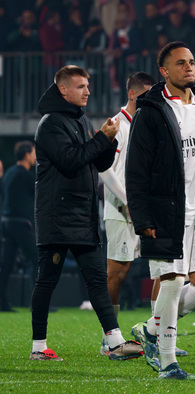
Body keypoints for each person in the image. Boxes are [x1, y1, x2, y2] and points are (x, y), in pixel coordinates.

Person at [126, 41, 195, 380]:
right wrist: (143, 217)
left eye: (191, 62)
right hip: (167, 210)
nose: (188, 67)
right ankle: (167, 361)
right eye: (179, 63)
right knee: (172, 282)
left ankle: (150, 329)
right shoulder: (152, 111)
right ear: (164, 71)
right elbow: (136, 169)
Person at [32, 65, 143, 362]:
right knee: (47, 281)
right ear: (63, 89)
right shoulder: (50, 123)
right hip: (57, 214)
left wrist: (109, 141)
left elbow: (95, 162)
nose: (88, 91)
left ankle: (114, 341)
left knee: (97, 279)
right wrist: (100, 140)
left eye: (88, 86)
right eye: (81, 86)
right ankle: (39, 347)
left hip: (82, 213)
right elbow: (71, 161)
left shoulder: (79, 120)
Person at [97, 71, 157, 356]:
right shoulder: (116, 125)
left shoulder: (148, 124)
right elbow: (104, 169)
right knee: (116, 274)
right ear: (132, 94)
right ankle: (109, 338)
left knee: (163, 271)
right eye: (146, 94)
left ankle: (158, 336)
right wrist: (128, 200)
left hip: (147, 208)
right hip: (121, 210)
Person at [0, 142, 36, 312]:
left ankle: (2, 302)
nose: (35, 156)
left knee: (6, 264)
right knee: (37, 260)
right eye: (33, 152)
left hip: (6, 222)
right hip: (20, 224)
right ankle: (39, 302)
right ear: (27, 155)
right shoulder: (26, 176)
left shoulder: (9, 173)